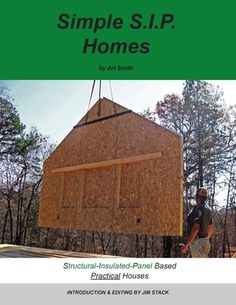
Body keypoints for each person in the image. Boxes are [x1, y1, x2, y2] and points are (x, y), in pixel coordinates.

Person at [182, 187, 214, 257]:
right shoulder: (208, 209)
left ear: (197, 196)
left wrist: (187, 245)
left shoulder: (198, 208)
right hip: (205, 241)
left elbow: (196, 229)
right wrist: (204, 239)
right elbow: (211, 229)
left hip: (197, 242)